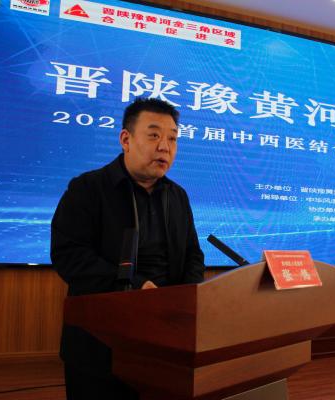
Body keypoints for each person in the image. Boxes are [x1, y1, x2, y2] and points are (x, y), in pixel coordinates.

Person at [50, 98, 205, 400]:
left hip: (167, 339)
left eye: (173, 138)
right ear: (125, 139)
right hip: (100, 343)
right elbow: (70, 256)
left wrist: (187, 298)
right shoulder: (87, 188)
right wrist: (135, 287)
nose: (165, 147)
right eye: (154, 135)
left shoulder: (177, 196)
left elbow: (192, 254)